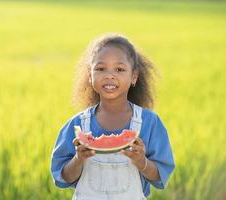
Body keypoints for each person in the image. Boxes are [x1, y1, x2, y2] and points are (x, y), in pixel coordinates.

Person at [51, 33, 175, 200]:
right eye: (101, 69)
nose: (109, 75)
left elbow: (159, 176)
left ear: (134, 76)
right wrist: (78, 159)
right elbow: (63, 177)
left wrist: (142, 162)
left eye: (119, 69)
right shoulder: (78, 125)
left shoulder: (149, 123)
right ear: (90, 75)